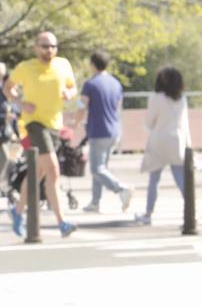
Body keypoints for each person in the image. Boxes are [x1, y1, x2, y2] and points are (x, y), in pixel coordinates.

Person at [3, 31, 79, 237]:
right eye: (45, 46)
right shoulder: (25, 68)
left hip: (54, 124)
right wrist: (19, 103)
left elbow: (72, 88)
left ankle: (17, 212)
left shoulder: (63, 65)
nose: (49, 50)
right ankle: (62, 222)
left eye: (53, 46)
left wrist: (69, 93)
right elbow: (8, 86)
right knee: (53, 169)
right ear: (36, 47)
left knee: (39, 172)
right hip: (32, 124)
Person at [76, 50, 134, 214]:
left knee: (96, 169)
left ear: (92, 64)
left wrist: (76, 122)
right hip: (114, 130)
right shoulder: (116, 83)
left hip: (98, 131)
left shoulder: (91, 84)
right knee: (102, 168)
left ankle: (121, 189)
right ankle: (95, 201)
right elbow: (117, 107)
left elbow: (82, 106)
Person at [134, 67, 190, 225]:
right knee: (181, 180)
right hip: (177, 141)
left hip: (159, 141)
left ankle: (148, 214)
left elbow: (148, 123)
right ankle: (191, 212)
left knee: (154, 180)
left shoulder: (156, 98)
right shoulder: (182, 99)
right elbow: (185, 124)